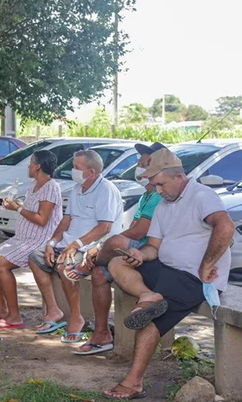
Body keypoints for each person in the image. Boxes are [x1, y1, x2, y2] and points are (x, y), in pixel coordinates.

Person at [103, 148, 234, 400]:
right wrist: (141, 255)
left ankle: (133, 383)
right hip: (166, 268)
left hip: (194, 278)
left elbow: (226, 226)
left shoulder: (202, 195)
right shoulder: (163, 204)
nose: (158, 190)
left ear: (178, 177)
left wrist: (207, 264)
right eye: (154, 185)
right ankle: (148, 296)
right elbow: (154, 247)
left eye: (161, 184)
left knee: (149, 321)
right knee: (118, 262)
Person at [67, 142, 165, 355]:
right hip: (136, 251)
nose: (139, 167)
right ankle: (101, 334)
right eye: (140, 163)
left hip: (154, 253)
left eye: (145, 163)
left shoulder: (159, 194)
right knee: (99, 274)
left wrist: (101, 247)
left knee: (114, 242)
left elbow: (138, 232)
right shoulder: (145, 195)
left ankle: (91, 260)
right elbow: (133, 228)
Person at [28, 150, 123, 341]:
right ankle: (54, 310)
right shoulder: (77, 189)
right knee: (34, 257)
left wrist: (76, 244)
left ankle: (76, 317)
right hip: (67, 243)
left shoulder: (106, 190)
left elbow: (105, 227)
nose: (73, 171)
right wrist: (51, 243)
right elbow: (66, 219)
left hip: (90, 247)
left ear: (91, 172)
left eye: (77, 168)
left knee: (65, 268)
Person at [0, 150, 63, 329]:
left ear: (38, 166)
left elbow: (42, 219)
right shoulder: (34, 184)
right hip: (23, 237)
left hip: (39, 239)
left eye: (31, 163)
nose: (28, 166)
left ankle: (14, 316)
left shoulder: (50, 187)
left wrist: (17, 209)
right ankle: (1, 309)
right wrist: (15, 206)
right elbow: (30, 211)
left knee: (2, 264)